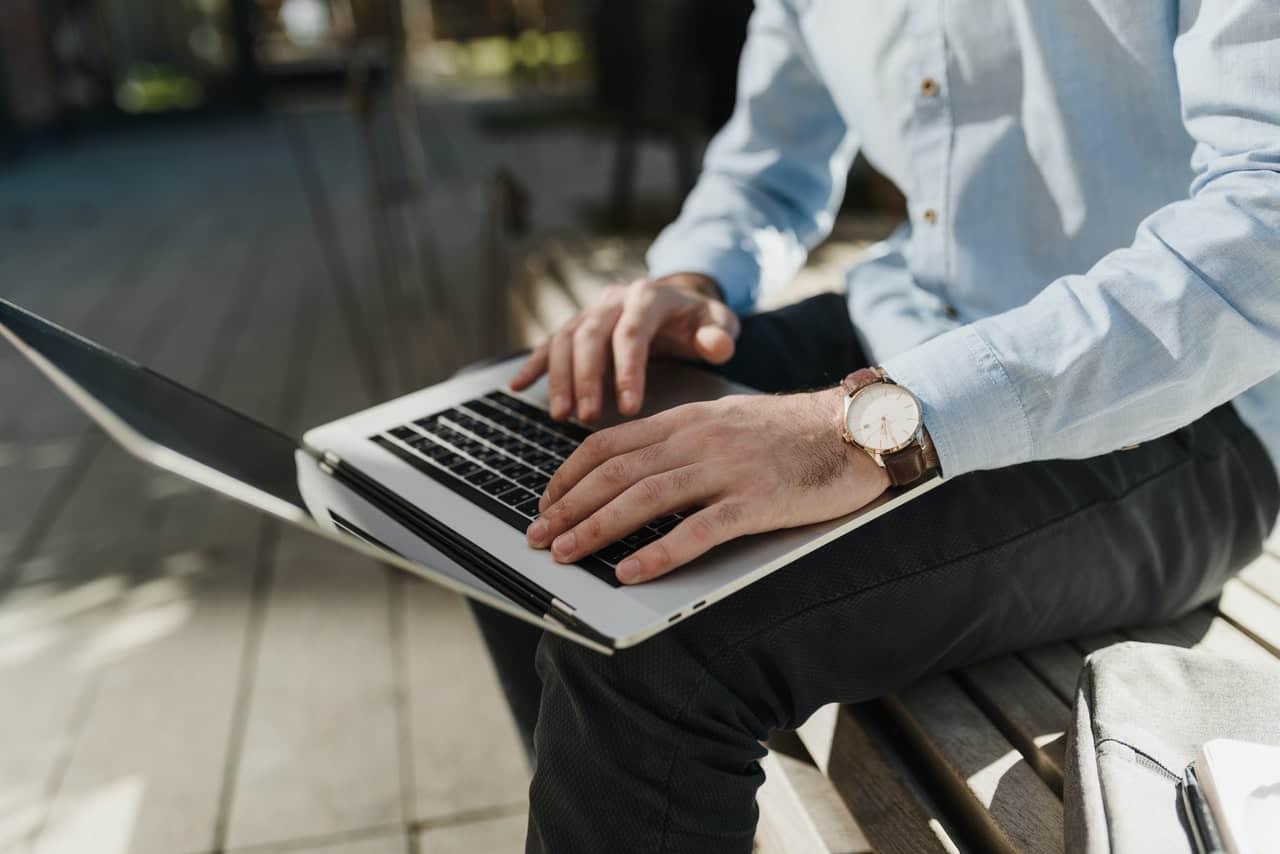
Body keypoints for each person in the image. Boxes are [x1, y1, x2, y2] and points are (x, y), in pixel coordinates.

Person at [477, 2, 1280, 851]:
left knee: (660, 649)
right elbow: (767, 162)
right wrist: (696, 277)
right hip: (905, 327)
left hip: (1181, 407)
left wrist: (864, 428)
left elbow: (1264, 226)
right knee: (515, 445)